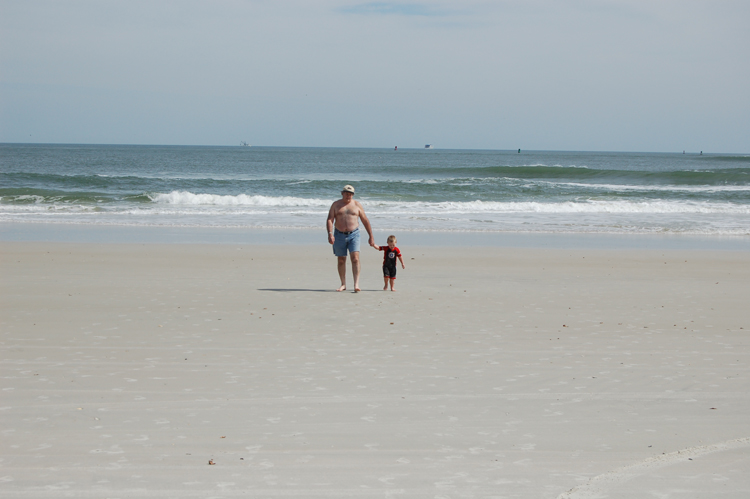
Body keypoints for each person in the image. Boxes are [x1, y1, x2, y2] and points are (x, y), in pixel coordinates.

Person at [326, 185, 374, 292]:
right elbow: (330, 219)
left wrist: (371, 236)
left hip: (354, 234)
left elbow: (365, 220)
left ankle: (356, 284)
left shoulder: (357, 205)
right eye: (347, 193)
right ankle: (343, 284)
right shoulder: (336, 205)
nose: (348, 196)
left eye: (351, 194)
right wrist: (330, 234)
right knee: (341, 260)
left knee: (355, 258)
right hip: (339, 234)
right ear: (342, 193)